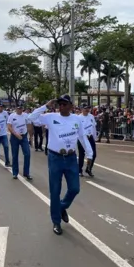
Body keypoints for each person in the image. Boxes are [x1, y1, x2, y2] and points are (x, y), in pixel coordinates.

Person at [28, 95, 93, 235]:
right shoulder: (50, 117)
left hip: (70, 158)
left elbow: (82, 137)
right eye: (59, 104)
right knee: (55, 191)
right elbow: (31, 118)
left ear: (71, 106)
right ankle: (56, 221)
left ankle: (61, 207)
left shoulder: (76, 119)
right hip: (55, 157)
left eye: (64, 104)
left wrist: (90, 153)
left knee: (75, 188)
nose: (61, 106)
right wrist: (45, 106)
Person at [7, 106, 33, 180]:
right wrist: (16, 134)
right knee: (15, 155)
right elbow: (9, 126)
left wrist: (30, 136)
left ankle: (26, 173)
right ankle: (15, 173)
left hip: (23, 137)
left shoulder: (26, 115)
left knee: (27, 154)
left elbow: (29, 126)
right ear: (16, 109)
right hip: (15, 137)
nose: (20, 110)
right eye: (18, 108)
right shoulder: (12, 116)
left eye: (21, 108)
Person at [77, 104, 97, 177]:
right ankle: (79, 170)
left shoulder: (91, 116)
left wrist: (94, 137)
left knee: (94, 154)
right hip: (82, 138)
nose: (87, 110)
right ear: (82, 109)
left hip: (90, 137)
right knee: (82, 154)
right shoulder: (78, 118)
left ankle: (89, 169)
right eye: (85, 109)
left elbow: (94, 127)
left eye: (88, 109)